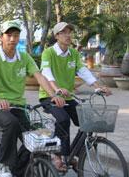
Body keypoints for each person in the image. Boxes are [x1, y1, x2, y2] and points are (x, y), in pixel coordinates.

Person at [0, 20, 64, 177]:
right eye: (9, 35)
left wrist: (53, 95)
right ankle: (3, 164)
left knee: (35, 137)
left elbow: (39, 76)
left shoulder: (24, 57)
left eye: (16, 35)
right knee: (11, 124)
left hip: (19, 106)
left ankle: (17, 171)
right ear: (1, 37)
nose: (12, 39)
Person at [39, 22, 111, 171]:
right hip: (49, 96)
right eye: (63, 32)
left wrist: (98, 87)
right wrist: (56, 90)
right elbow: (46, 72)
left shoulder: (73, 53)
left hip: (68, 97)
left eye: (69, 32)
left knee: (88, 122)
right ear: (56, 36)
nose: (68, 35)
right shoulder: (49, 53)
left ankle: (73, 155)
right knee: (63, 119)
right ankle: (57, 156)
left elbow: (83, 71)